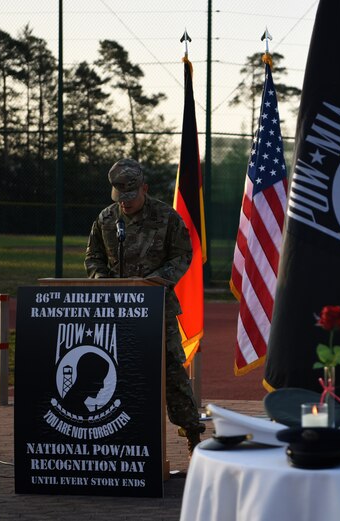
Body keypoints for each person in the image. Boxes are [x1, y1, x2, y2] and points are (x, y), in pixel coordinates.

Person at [84, 158, 205, 456]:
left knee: (172, 372)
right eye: (119, 197)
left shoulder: (166, 217)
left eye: (131, 196)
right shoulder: (106, 219)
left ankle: (192, 436)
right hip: (116, 311)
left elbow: (183, 255)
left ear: (144, 188)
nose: (124, 203)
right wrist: (102, 281)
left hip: (158, 309)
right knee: (116, 373)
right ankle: (121, 437)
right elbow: (94, 258)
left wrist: (158, 280)